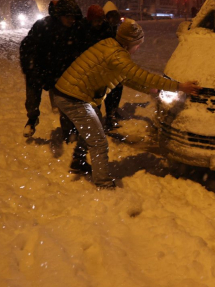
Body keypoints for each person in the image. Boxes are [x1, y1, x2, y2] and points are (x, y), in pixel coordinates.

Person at [52, 19, 200, 189]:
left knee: (95, 126)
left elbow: (127, 78)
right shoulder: (117, 56)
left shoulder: (110, 45)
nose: (138, 48)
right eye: (138, 44)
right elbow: (141, 75)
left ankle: (78, 161)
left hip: (69, 92)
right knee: (98, 140)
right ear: (131, 42)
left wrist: (152, 90)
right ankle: (103, 183)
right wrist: (180, 86)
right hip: (74, 98)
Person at [19, 0, 85, 138]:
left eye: (73, 17)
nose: (71, 19)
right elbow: (27, 46)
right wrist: (30, 68)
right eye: (68, 16)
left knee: (65, 104)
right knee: (32, 98)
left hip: (60, 72)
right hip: (39, 69)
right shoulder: (43, 26)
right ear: (60, 15)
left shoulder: (76, 29)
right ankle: (32, 119)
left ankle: (69, 132)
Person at [102, 2, 125, 130]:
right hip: (107, 65)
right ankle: (110, 116)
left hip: (116, 64)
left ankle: (113, 111)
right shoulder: (105, 29)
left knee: (118, 88)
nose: (113, 20)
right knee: (110, 91)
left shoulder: (115, 28)